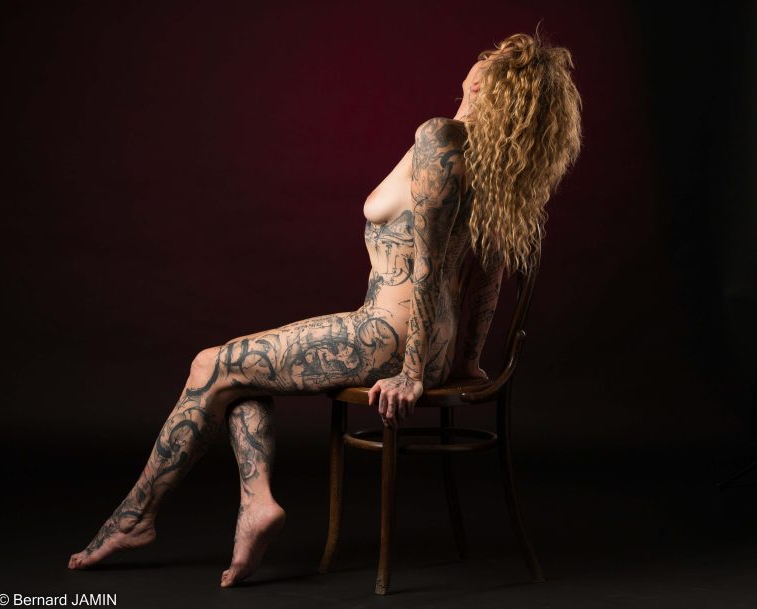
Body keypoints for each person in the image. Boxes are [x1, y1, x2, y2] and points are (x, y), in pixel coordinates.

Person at [67, 28, 583, 587]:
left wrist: (412, 374)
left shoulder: (441, 138)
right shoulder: (490, 168)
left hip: (388, 337)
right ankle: (256, 504)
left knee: (209, 365)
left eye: (493, 59)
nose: (480, 59)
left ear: (490, 84)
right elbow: (486, 279)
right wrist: (465, 362)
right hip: (423, 344)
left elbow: (429, 267)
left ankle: (135, 517)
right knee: (239, 374)